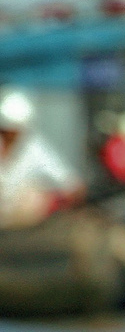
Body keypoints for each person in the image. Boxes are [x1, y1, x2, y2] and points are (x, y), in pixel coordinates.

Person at [0, 88, 82, 230]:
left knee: (35, 195)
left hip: (18, 216)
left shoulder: (32, 147)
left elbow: (65, 178)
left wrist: (72, 192)